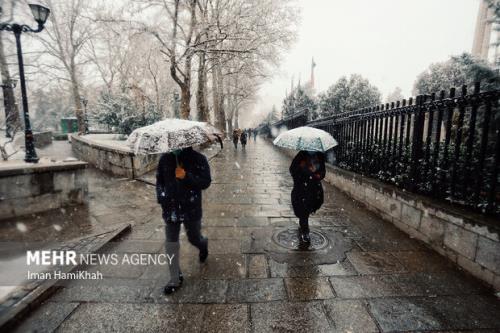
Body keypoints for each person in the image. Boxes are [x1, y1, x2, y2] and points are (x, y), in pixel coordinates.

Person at [156, 146, 211, 294]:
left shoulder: (198, 158)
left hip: (191, 208)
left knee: (193, 238)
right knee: (171, 242)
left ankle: (203, 244)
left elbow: (206, 182)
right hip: (171, 209)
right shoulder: (165, 159)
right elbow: (159, 182)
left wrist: (186, 176)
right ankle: (175, 277)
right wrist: (162, 198)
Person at [289, 150, 326, 246]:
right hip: (301, 188)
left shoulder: (320, 156)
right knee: (303, 211)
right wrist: (303, 168)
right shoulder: (301, 155)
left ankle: (303, 226)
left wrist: (318, 175)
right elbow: (292, 169)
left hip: (314, 189)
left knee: (307, 209)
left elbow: (323, 172)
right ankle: (305, 231)